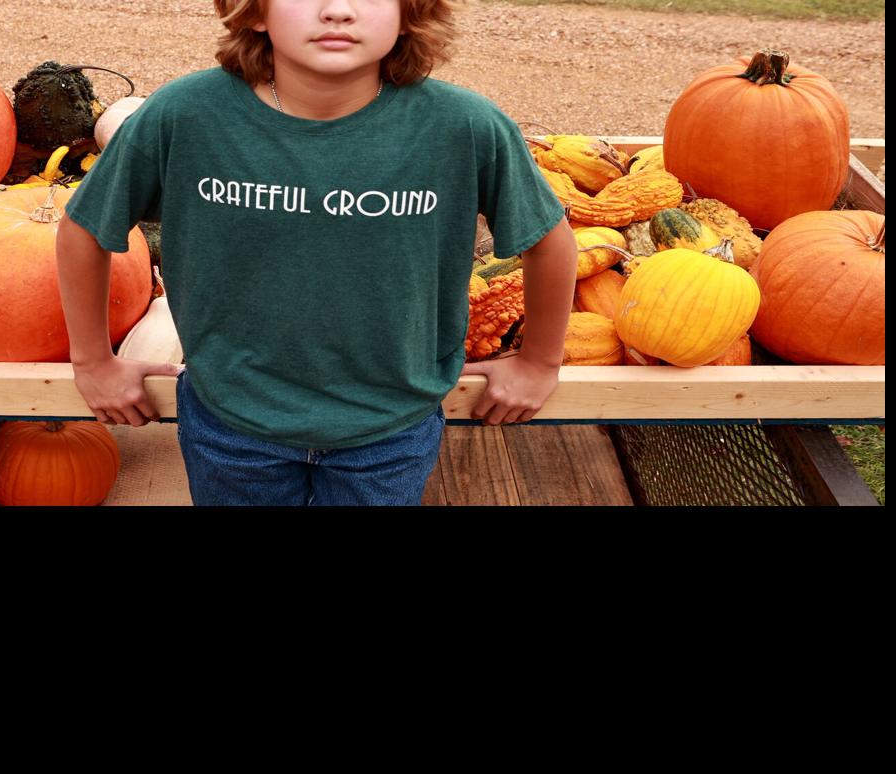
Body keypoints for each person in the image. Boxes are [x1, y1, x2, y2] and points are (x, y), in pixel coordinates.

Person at [56, 0, 576, 505]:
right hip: (231, 425)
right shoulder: (186, 115)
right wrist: (93, 361)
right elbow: (84, 228)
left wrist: (539, 361)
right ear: (255, 10)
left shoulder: (463, 127)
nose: (337, 10)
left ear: (409, 12)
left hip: (390, 430)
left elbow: (549, 241)